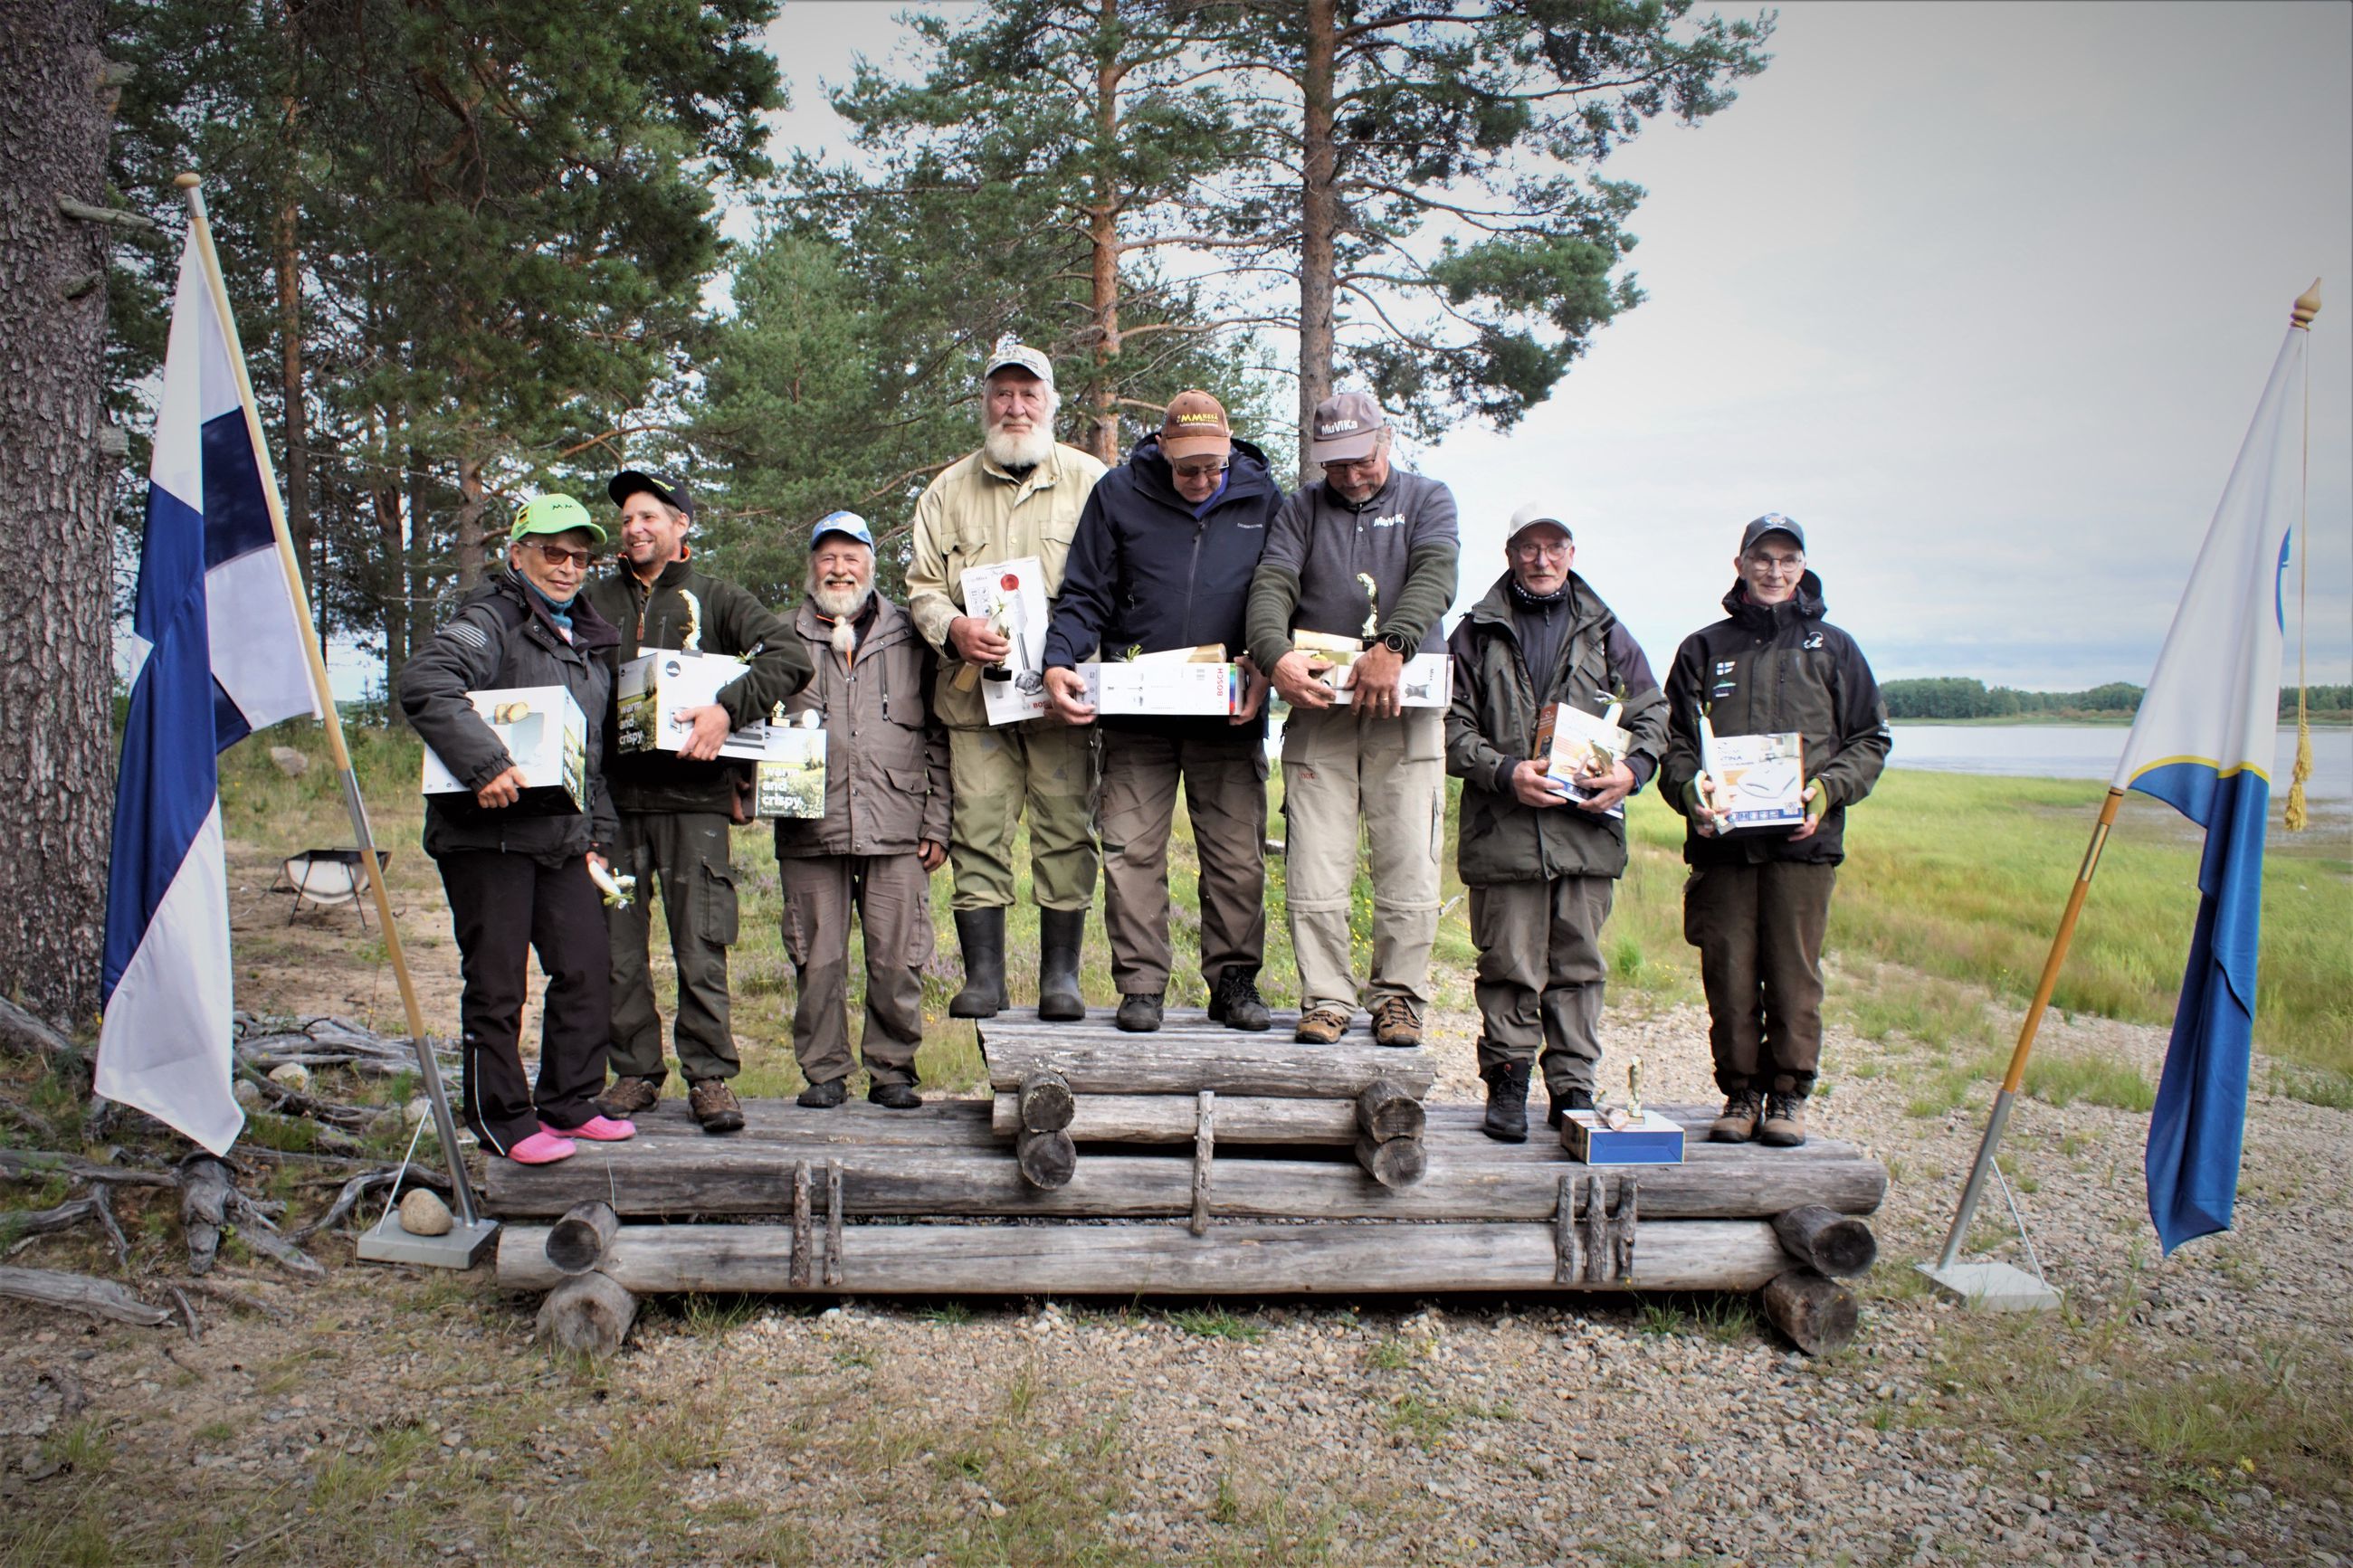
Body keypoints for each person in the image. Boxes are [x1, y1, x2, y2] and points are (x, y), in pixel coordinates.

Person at [399, 495, 634, 1164]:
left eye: (579, 557)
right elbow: (426, 682)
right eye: (552, 553)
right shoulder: (490, 619)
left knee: (587, 966)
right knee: (499, 982)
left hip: (562, 839)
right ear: (517, 553)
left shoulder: (585, 637)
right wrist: (485, 762)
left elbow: (589, 751)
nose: (567, 568)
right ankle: (501, 1117)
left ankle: (569, 1100)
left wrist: (598, 832)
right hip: (486, 838)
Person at [1041, 392, 1282, 1033]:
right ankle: (1141, 984)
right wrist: (1060, 658)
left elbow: (1280, 594)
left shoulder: (1264, 499)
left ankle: (1234, 981)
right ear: (1162, 451)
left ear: (1231, 450)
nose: (1202, 481)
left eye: (1213, 468)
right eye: (1187, 469)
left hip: (1230, 714)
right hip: (1136, 714)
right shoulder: (1119, 495)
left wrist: (1266, 663)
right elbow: (1085, 592)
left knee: (1236, 855)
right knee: (1130, 849)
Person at [585, 470, 810, 1135]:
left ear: (682, 524)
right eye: (627, 518)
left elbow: (791, 657)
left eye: (649, 515)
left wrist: (725, 711)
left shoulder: (716, 599)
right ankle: (633, 1072)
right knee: (616, 943)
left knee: (702, 938)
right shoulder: (595, 601)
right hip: (614, 805)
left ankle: (709, 1076)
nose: (635, 527)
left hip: (695, 802)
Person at [1659, 514, 1891, 1148]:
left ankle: (1787, 1096)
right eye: (1763, 557)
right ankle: (1740, 1092)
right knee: (1730, 974)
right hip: (1723, 847)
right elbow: (1674, 744)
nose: (1774, 570)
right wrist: (1689, 792)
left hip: (1802, 847)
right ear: (1740, 564)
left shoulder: (1834, 648)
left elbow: (1871, 739)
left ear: (1803, 566)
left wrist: (1827, 790)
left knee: (1794, 976)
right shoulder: (1704, 648)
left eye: (1788, 559)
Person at [1444, 504, 1669, 1141]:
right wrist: (1505, 770)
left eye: (1556, 546)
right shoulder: (1476, 633)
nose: (1542, 559)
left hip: (1588, 834)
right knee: (1508, 964)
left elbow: (1653, 712)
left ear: (1572, 552)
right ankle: (1508, 1085)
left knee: (1579, 967)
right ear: (1510, 551)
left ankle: (1572, 1088)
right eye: (1530, 546)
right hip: (1503, 833)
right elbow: (1449, 725)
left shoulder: (1607, 633)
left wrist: (1635, 770)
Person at [1245, 393, 1459, 1047]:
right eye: (1335, 466)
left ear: (1385, 442)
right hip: (1321, 712)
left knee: (1408, 859)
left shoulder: (1428, 497)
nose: (1351, 476)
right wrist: (1274, 654)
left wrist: (1392, 646)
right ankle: (1327, 996)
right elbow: (1271, 585)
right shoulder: (1302, 508)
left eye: (1362, 460)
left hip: (1407, 706)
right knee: (1315, 858)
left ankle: (1398, 997)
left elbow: (1436, 573)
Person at [905, 341, 1109, 1022]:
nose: (1015, 406)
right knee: (978, 830)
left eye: (1029, 393)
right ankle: (984, 979)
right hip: (973, 701)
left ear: (1051, 401)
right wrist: (954, 629)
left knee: (1065, 831)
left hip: (1063, 703)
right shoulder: (945, 492)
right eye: (1002, 393)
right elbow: (922, 590)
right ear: (984, 402)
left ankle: (1061, 979)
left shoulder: (1093, 482)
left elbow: (1118, 584)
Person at [773, 513, 950, 1109]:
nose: (839, 568)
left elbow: (940, 733)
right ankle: (823, 1071)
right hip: (808, 823)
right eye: (828, 556)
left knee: (898, 957)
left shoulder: (911, 633)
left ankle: (893, 1069)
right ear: (811, 565)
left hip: (898, 823)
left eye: (852, 556)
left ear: (871, 565)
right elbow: (751, 723)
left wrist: (938, 820)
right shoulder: (779, 635)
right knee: (816, 959)